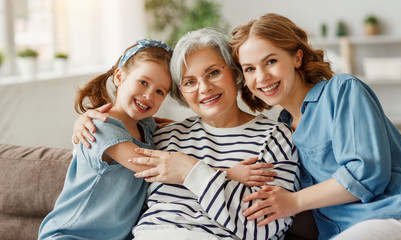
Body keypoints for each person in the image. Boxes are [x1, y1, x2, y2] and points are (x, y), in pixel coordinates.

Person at [73, 28, 300, 240]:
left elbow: (266, 226)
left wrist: (191, 171)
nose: (204, 88)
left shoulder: (274, 137)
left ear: (235, 72)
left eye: (212, 73)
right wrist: (85, 121)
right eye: (190, 82)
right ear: (181, 92)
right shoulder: (165, 136)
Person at [229, 13, 401, 240]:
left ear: (297, 58)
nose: (261, 77)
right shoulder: (280, 128)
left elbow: (366, 173)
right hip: (340, 231)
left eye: (271, 61)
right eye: (249, 69)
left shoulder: (342, 90)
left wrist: (294, 202)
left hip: (395, 213)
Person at [38, 39, 174, 240]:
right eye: (143, 82)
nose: (148, 95)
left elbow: (180, 128)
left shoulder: (146, 126)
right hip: (69, 235)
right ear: (119, 77)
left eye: (160, 91)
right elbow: (147, 165)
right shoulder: (101, 127)